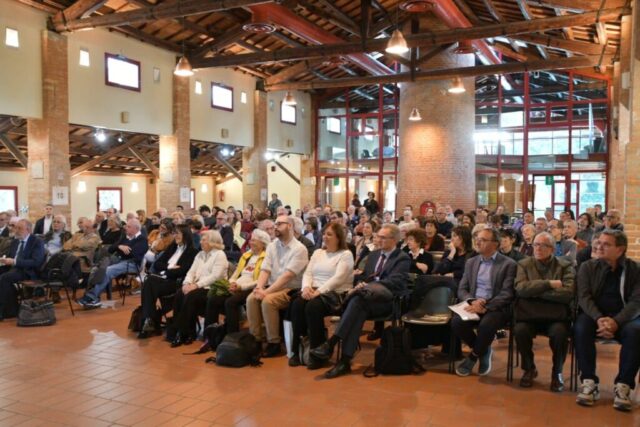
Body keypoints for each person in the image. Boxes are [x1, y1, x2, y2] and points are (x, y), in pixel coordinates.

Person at [311, 224, 410, 379]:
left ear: (394, 240)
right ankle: (344, 361)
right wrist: (359, 281)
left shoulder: (402, 258)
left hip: (387, 301)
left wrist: (369, 286)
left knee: (357, 301)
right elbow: (365, 276)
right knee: (358, 306)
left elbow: (395, 282)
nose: (379, 240)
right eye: (378, 237)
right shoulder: (374, 255)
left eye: (383, 238)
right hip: (366, 299)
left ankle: (332, 344)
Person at [574, 230, 640, 412]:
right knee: (581, 327)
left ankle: (623, 385)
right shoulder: (587, 267)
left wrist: (616, 322)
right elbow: (584, 297)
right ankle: (589, 381)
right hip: (595, 316)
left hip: (625, 318)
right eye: (599, 242)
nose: (599, 246)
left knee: (635, 332)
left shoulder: (635, 270)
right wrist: (599, 319)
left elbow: (636, 302)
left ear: (620, 249)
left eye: (606, 244)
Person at [513, 232, 575, 392]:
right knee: (520, 331)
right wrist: (549, 284)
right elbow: (520, 289)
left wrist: (535, 291)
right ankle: (529, 368)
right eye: (536, 244)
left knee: (560, 334)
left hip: (555, 316)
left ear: (552, 249)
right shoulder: (524, 264)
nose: (538, 248)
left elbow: (568, 293)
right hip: (529, 314)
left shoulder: (564, 266)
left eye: (543, 245)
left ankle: (557, 372)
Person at [452, 228, 517, 377]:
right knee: (456, 322)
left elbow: (507, 293)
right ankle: (484, 349)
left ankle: (473, 356)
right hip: (473, 304)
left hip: (496, 307)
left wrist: (486, 305)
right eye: (477, 239)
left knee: (486, 325)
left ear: (495, 244)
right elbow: (462, 288)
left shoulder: (508, 264)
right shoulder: (471, 262)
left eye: (483, 240)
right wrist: (473, 301)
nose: (478, 242)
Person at [289, 223, 354, 368]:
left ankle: (317, 353)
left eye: (329, 234)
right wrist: (306, 288)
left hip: (335, 294)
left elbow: (338, 279)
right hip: (313, 290)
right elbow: (308, 273)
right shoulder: (318, 252)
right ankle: (297, 350)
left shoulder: (346, 254)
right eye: (324, 234)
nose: (325, 237)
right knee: (297, 304)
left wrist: (319, 291)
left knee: (313, 306)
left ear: (338, 237)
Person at [246, 215, 309, 357]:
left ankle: (274, 342)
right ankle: (256, 340)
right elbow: (265, 269)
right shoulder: (272, 245)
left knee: (268, 301)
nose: (276, 227)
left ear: (290, 226)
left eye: (280, 224)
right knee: (251, 299)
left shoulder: (300, 249)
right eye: (275, 224)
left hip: (291, 289)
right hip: (273, 286)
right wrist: (259, 288)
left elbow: (287, 276)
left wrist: (266, 292)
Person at [204, 229, 271, 333]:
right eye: (250, 240)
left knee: (230, 302)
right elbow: (236, 273)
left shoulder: (267, 257)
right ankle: (209, 333)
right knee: (213, 299)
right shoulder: (246, 255)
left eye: (254, 240)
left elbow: (261, 281)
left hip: (253, 288)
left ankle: (232, 334)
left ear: (263, 243)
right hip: (237, 285)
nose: (250, 242)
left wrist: (241, 287)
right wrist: (231, 282)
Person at [138, 225, 198, 339]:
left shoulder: (192, 252)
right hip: (162, 279)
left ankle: (149, 320)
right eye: (174, 233)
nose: (175, 236)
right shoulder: (172, 247)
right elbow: (157, 264)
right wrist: (170, 266)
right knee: (149, 281)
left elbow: (183, 270)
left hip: (175, 282)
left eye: (178, 233)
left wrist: (166, 271)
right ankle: (149, 320)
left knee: (149, 282)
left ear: (186, 235)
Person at [170, 230, 228, 347]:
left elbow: (215, 277)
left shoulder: (220, 255)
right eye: (201, 240)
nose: (200, 242)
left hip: (212, 288)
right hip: (197, 286)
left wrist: (196, 285)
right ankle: (186, 332)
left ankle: (182, 332)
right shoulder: (200, 254)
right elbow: (191, 272)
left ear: (212, 242)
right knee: (180, 293)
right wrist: (186, 283)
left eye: (203, 240)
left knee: (191, 296)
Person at [76, 219, 149, 308]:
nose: (125, 228)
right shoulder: (125, 237)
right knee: (95, 269)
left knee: (108, 270)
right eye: (126, 226)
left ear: (136, 228)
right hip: (119, 260)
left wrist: (121, 249)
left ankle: (91, 297)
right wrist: (120, 246)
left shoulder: (142, 240)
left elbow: (132, 254)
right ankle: (93, 297)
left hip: (132, 264)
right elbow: (111, 249)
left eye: (128, 226)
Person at [0, 219, 45, 320]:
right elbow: (10, 256)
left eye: (20, 228)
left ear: (28, 230)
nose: (16, 230)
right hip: (13, 268)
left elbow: (36, 262)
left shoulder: (36, 242)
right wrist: (4, 260)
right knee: (4, 276)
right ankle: (9, 307)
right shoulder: (15, 241)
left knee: (5, 278)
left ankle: (8, 311)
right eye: (16, 228)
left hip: (28, 271)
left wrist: (14, 262)